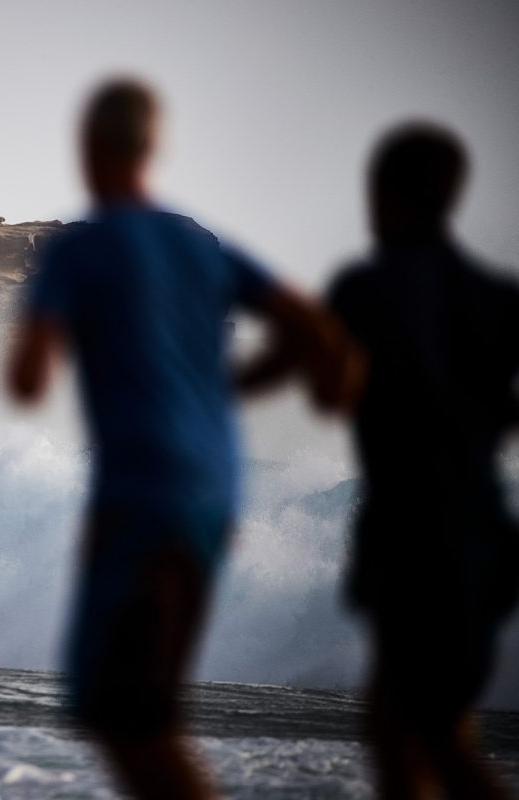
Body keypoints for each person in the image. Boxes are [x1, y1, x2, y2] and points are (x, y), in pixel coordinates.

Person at [6, 78, 359, 799]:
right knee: (141, 710)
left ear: (88, 147)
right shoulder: (199, 244)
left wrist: (47, 338)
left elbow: (27, 380)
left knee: (126, 716)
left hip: (141, 493)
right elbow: (317, 331)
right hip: (214, 496)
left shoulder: (79, 249)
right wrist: (257, 387)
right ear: (152, 148)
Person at [255, 123, 518, 799]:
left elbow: (329, 394)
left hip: (410, 530)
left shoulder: (367, 288)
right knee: (435, 729)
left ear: (384, 194)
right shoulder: (495, 297)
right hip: (485, 533)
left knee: (413, 738)